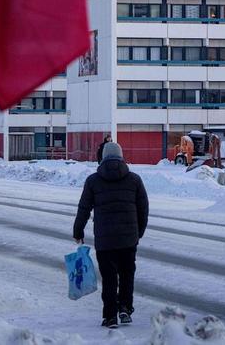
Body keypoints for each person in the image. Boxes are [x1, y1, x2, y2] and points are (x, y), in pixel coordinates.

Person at [73, 141, 149, 329]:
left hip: (105, 240)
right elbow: (143, 209)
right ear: (121, 157)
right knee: (127, 275)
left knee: (109, 278)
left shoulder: (93, 181)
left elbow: (84, 208)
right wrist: (138, 232)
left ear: (103, 157)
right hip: (128, 239)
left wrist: (78, 231)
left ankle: (110, 316)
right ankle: (125, 308)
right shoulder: (134, 180)